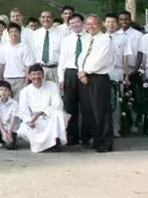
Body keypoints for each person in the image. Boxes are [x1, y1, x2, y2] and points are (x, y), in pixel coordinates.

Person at [77, 15, 115, 153]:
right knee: (88, 111)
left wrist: (85, 71)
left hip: (98, 77)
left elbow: (101, 60)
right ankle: (95, 139)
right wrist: (81, 71)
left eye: (93, 24)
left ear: (100, 25)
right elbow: (82, 57)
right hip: (85, 77)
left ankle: (105, 142)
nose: (90, 26)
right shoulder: (87, 39)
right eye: (87, 24)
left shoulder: (105, 40)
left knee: (101, 111)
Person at [16, 64, 68, 153]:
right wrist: (30, 121)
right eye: (33, 74)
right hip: (35, 120)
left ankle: (55, 141)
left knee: (58, 114)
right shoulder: (24, 91)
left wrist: (41, 112)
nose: (36, 77)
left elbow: (58, 104)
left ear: (43, 75)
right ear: (29, 76)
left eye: (39, 74)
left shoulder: (52, 85)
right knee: (23, 129)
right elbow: (23, 112)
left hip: (50, 117)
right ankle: (44, 144)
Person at [56, 13, 87, 147]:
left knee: (86, 106)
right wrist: (61, 77)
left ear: (83, 23)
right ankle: (72, 136)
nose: (75, 25)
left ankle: (87, 136)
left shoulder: (89, 38)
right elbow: (62, 59)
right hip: (70, 72)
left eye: (77, 22)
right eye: (72, 23)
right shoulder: (67, 40)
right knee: (70, 106)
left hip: (85, 72)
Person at [0, 24, 35, 98]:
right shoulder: (4, 47)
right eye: (11, 32)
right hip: (7, 78)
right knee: (7, 102)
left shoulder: (25, 47)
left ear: (19, 33)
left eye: (16, 31)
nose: (13, 33)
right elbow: (1, 64)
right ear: (8, 33)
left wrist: (27, 81)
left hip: (21, 79)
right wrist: (0, 79)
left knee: (20, 103)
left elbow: (28, 65)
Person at [30, 12, 63, 83]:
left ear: (53, 19)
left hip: (56, 69)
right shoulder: (35, 34)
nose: (46, 19)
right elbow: (32, 53)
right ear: (40, 19)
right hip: (40, 70)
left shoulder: (61, 33)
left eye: (48, 17)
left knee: (57, 93)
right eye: (43, 17)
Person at [0, 82, 19, 149]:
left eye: (6, 90)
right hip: (1, 127)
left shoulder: (15, 103)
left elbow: (13, 118)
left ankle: (7, 140)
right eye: (1, 90)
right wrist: (3, 133)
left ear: (9, 92)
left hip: (11, 128)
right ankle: (1, 140)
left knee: (10, 146)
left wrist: (9, 133)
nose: (3, 92)